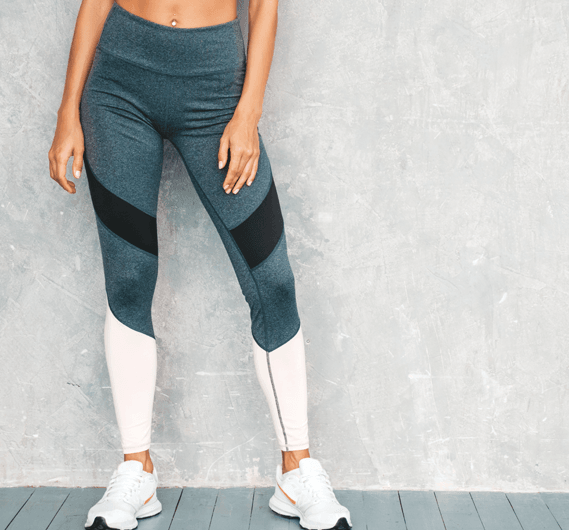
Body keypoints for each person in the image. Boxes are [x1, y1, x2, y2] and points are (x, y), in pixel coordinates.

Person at [47, 1, 351, 529]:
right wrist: (66, 110)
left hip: (214, 88)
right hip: (119, 85)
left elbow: (263, 5)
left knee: (271, 280)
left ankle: (296, 469)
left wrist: (248, 110)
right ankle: (135, 470)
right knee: (129, 278)